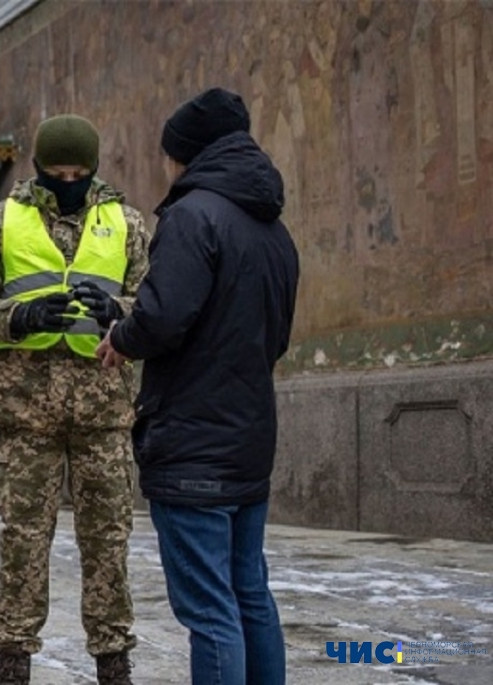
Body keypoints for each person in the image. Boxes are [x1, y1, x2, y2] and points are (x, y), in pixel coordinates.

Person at [94, 88, 300, 685]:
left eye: (170, 156)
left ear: (187, 155)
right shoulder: (274, 231)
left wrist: (123, 337)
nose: (168, 168)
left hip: (191, 443)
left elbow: (163, 315)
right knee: (249, 594)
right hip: (249, 437)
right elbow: (276, 336)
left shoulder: (193, 215)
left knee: (210, 610)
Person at [0, 114, 150, 685]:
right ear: (37, 169)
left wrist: (121, 316)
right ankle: (14, 661)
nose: (68, 181)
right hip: (25, 413)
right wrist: (18, 317)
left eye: (79, 173)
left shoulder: (128, 226)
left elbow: (157, 303)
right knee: (23, 542)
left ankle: (113, 662)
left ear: (93, 169)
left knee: (109, 540)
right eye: (56, 172)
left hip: (105, 412)